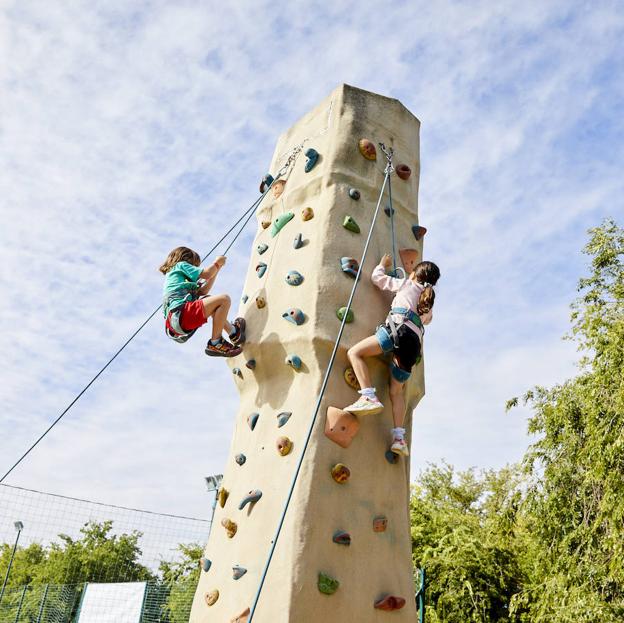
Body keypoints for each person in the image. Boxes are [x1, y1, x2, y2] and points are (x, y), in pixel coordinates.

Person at [343, 254, 440, 456]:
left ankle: (368, 395)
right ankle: (399, 439)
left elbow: (377, 279)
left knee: (355, 353)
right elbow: (427, 320)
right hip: (413, 346)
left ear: (414, 274)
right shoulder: (427, 303)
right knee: (396, 392)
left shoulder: (406, 284)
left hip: (397, 330)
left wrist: (381, 265)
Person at [159, 246, 245, 357]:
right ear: (187, 260)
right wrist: (216, 263)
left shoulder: (180, 280)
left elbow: (204, 291)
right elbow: (207, 273)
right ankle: (216, 343)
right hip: (181, 314)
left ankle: (233, 332)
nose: (194, 269)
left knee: (211, 302)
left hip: (177, 324)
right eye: (194, 266)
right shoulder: (179, 265)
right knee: (224, 299)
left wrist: (217, 269)